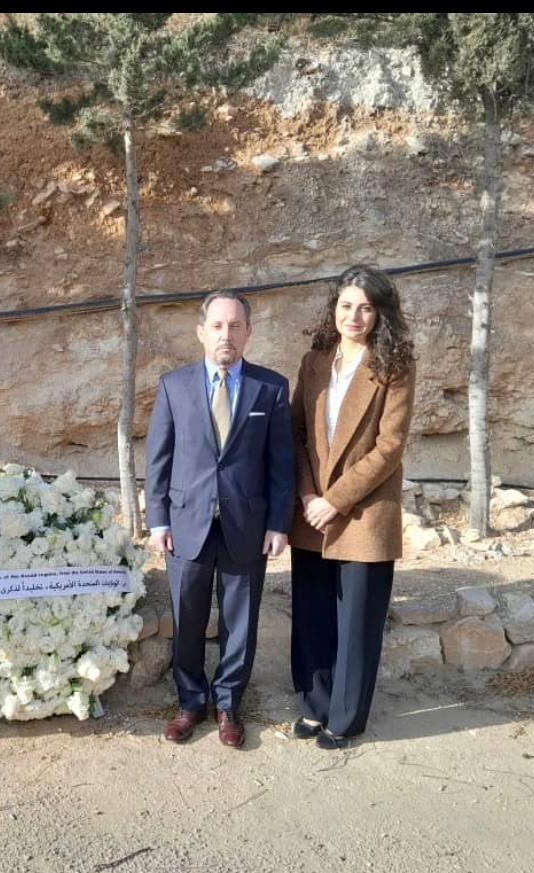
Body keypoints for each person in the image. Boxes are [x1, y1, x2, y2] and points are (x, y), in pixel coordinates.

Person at [146, 291, 294, 747]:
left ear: (248, 332)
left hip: (246, 524)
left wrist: (279, 523)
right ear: (201, 332)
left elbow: (281, 463)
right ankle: (190, 702)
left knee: (240, 620)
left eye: (234, 326)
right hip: (186, 523)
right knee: (187, 617)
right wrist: (158, 521)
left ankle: (229, 703)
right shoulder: (173, 386)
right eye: (217, 325)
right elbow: (158, 459)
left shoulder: (271, 388)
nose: (225, 334)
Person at [288, 264, 415, 750]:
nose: (354, 316)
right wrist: (308, 497)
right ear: (334, 308)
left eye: (365, 307)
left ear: (381, 314)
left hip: (364, 512)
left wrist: (335, 500)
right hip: (311, 512)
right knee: (313, 615)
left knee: (357, 622)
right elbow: (296, 433)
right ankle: (314, 705)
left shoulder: (394, 367)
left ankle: (345, 719)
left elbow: (390, 447)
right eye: (346, 305)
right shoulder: (315, 361)